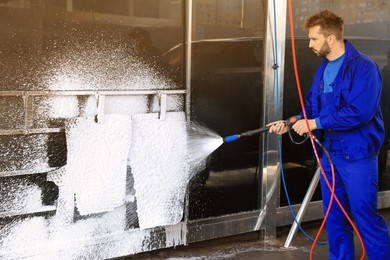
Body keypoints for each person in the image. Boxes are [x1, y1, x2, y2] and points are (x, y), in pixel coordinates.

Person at [268, 10, 390, 259]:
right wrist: (292, 122)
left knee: (364, 216)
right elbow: (312, 107)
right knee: (335, 219)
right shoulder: (324, 69)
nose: (310, 44)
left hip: (357, 155)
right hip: (330, 154)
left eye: (314, 38)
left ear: (331, 38)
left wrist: (314, 123)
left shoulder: (364, 67)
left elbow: (359, 113)